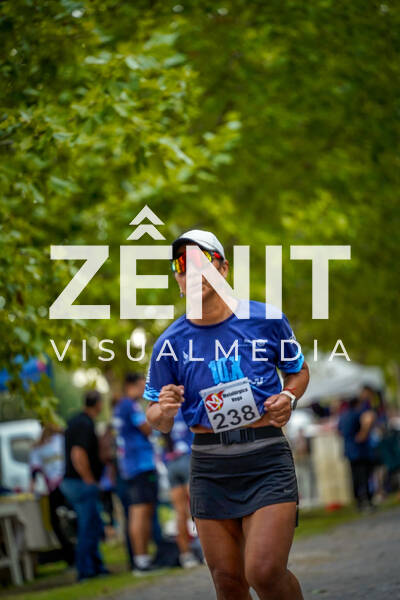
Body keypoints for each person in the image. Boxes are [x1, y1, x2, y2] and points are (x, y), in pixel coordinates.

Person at [145, 229, 310, 600]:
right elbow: (155, 415)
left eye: (202, 262)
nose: (193, 273)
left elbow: (298, 371)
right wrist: (164, 410)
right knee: (229, 583)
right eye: (182, 266)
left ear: (224, 269)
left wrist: (288, 396)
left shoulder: (266, 320)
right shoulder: (169, 343)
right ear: (178, 280)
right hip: (210, 468)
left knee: (264, 572)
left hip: (265, 458)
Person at [113, 372, 158, 574]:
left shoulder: (119, 406)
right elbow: (147, 428)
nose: (144, 389)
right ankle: (141, 560)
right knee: (140, 511)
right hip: (140, 465)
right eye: (142, 385)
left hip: (130, 466)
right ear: (132, 385)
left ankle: (142, 559)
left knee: (138, 511)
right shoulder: (130, 405)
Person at [61, 390, 107, 581]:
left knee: (93, 524)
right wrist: (89, 479)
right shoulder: (84, 423)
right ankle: (85, 571)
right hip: (79, 482)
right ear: (98, 404)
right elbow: (78, 453)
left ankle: (96, 567)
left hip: (74, 482)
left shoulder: (76, 420)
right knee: (87, 527)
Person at [29, 424, 75, 567]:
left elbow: (34, 471)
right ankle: (74, 552)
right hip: (66, 483)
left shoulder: (39, 446)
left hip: (56, 487)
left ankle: (70, 554)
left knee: (55, 522)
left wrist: (32, 487)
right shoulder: (61, 439)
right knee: (72, 517)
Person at [162, 407, 200, 568]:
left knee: (179, 513)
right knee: (197, 508)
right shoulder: (185, 407)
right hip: (187, 458)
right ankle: (206, 551)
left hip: (170, 463)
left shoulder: (162, 411)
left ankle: (186, 555)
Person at [338, 396, 376, 511]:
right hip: (360, 450)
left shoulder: (343, 416)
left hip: (349, 449)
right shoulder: (358, 413)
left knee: (354, 477)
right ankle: (367, 500)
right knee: (364, 476)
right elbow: (368, 421)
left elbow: (339, 430)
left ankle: (358, 501)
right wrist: (363, 434)